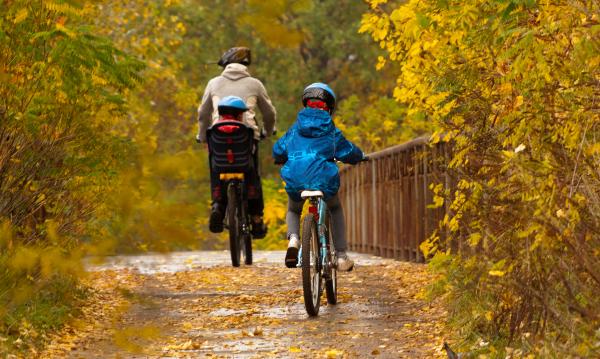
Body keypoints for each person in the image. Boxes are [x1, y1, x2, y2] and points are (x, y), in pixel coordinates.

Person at [272, 83, 365, 271]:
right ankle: (340, 256)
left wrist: (281, 157)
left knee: (293, 209)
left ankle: (294, 239)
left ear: (305, 104)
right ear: (329, 108)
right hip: (323, 180)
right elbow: (348, 151)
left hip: (296, 179)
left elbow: (278, 149)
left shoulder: (295, 128)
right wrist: (359, 157)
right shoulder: (331, 130)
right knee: (335, 208)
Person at [196, 47, 276, 238]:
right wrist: (268, 130)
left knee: (216, 167)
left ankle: (217, 204)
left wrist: (203, 135)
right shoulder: (255, 84)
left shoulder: (213, 83)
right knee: (252, 173)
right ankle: (256, 218)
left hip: (218, 134)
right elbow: (269, 113)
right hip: (247, 136)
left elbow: (203, 113)